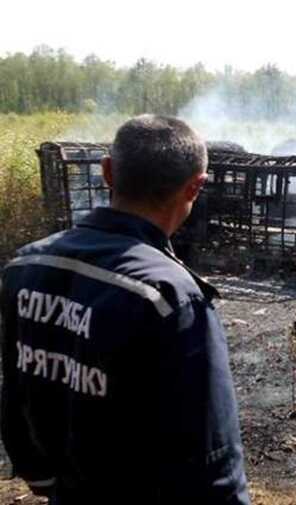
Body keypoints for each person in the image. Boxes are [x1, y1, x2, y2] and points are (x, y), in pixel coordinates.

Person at [0, 115, 251, 504]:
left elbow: (17, 389)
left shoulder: (25, 267)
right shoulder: (170, 297)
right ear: (196, 187)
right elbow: (210, 458)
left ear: (107, 172)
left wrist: (41, 476)